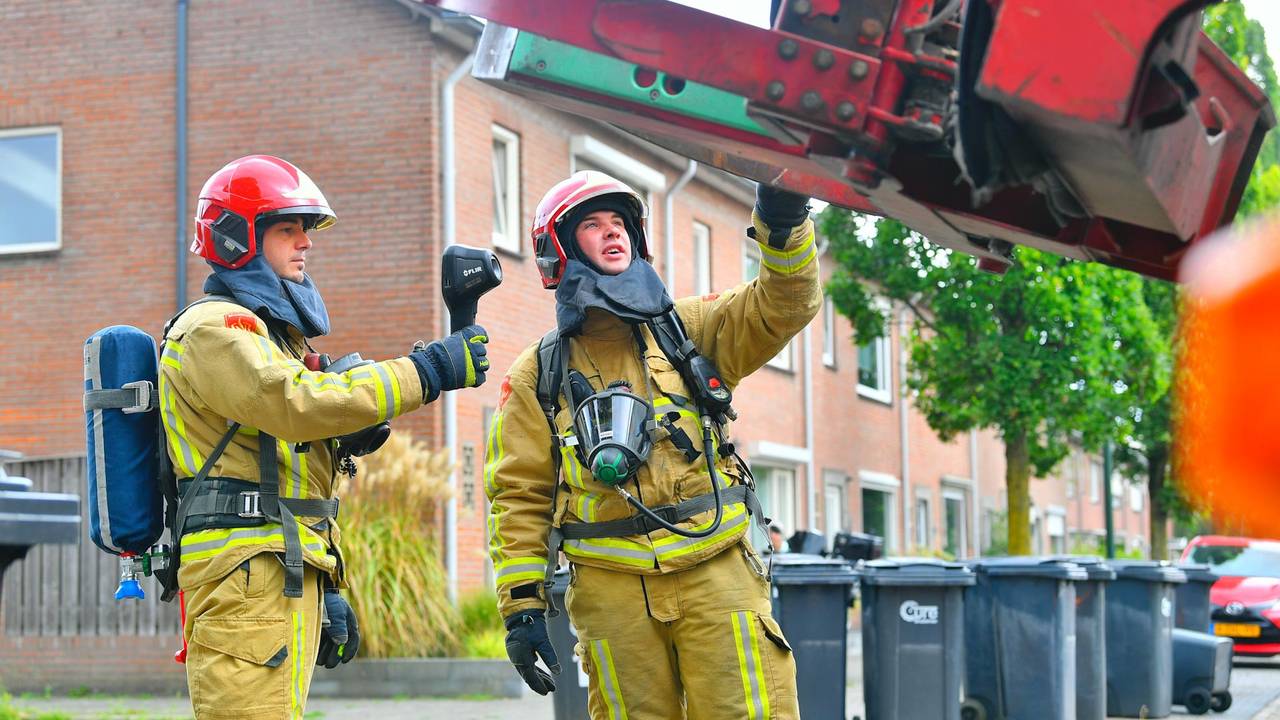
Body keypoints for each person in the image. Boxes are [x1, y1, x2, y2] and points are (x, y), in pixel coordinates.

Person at [163, 155, 490, 720]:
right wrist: (427, 370)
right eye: (287, 229)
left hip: (274, 570)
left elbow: (294, 477)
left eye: (305, 229)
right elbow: (299, 404)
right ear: (237, 238)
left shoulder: (270, 337)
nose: (305, 243)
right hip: (244, 578)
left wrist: (327, 580)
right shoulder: (214, 329)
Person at [485, 169, 820, 719]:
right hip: (611, 593)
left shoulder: (690, 328)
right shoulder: (536, 374)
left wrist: (782, 221)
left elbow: (782, 305)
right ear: (558, 249)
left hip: (716, 574)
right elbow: (518, 494)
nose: (612, 232)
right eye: (592, 224)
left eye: (619, 222)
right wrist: (522, 608)